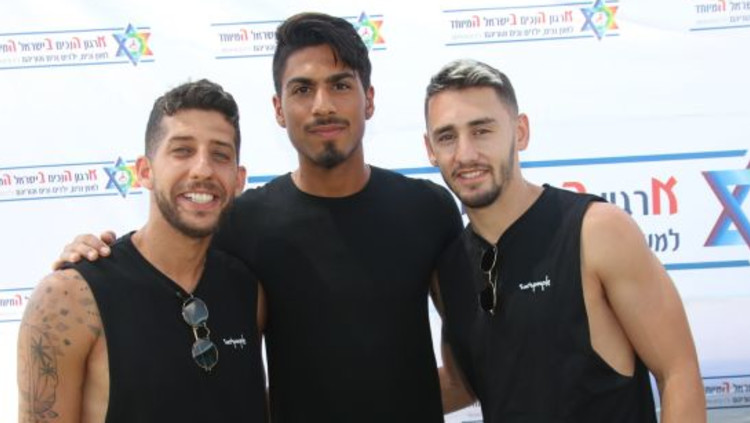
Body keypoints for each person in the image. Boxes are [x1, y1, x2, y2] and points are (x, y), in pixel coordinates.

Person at [51, 13, 470, 422]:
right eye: (302, 89)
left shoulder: (428, 209)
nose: (323, 105)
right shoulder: (242, 223)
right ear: (279, 109)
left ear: (370, 99)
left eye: (340, 85)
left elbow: (469, 367)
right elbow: (163, 267)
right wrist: (97, 256)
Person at [423, 59, 706, 422]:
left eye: (482, 131)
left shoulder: (596, 231)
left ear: (520, 132)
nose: (465, 154)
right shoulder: (449, 269)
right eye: (447, 137)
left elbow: (678, 373)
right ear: (430, 149)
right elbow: (464, 384)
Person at [18, 80, 267, 422]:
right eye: (182, 151)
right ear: (145, 172)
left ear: (238, 180)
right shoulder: (70, 296)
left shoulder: (248, 291)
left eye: (220, 155)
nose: (203, 169)